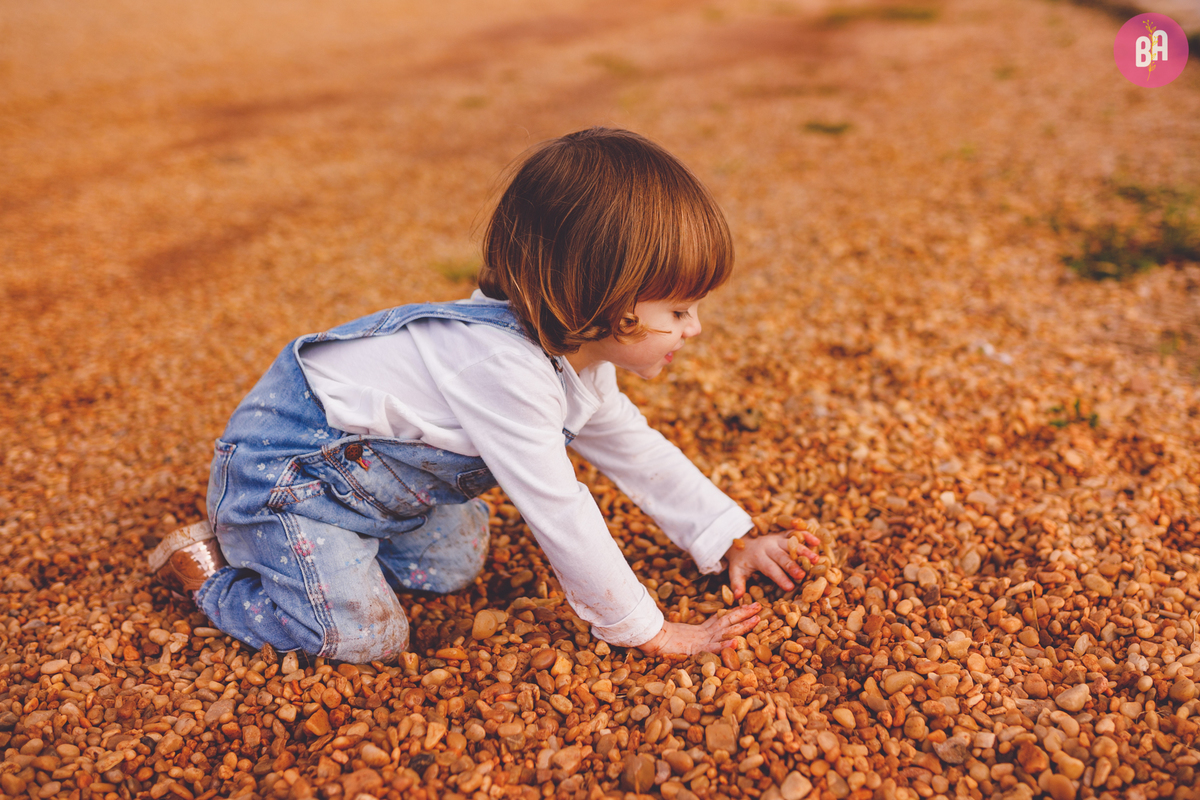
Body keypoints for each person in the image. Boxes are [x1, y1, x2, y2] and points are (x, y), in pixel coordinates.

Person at [149, 127, 819, 664]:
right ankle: (210, 569)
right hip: (289, 481)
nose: (694, 328)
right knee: (366, 640)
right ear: (601, 297)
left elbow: (636, 451)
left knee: (456, 561)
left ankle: (328, 556)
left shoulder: (576, 352)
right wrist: (644, 627)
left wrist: (730, 539)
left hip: (369, 499)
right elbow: (560, 510)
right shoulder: (501, 366)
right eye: (678, 311)